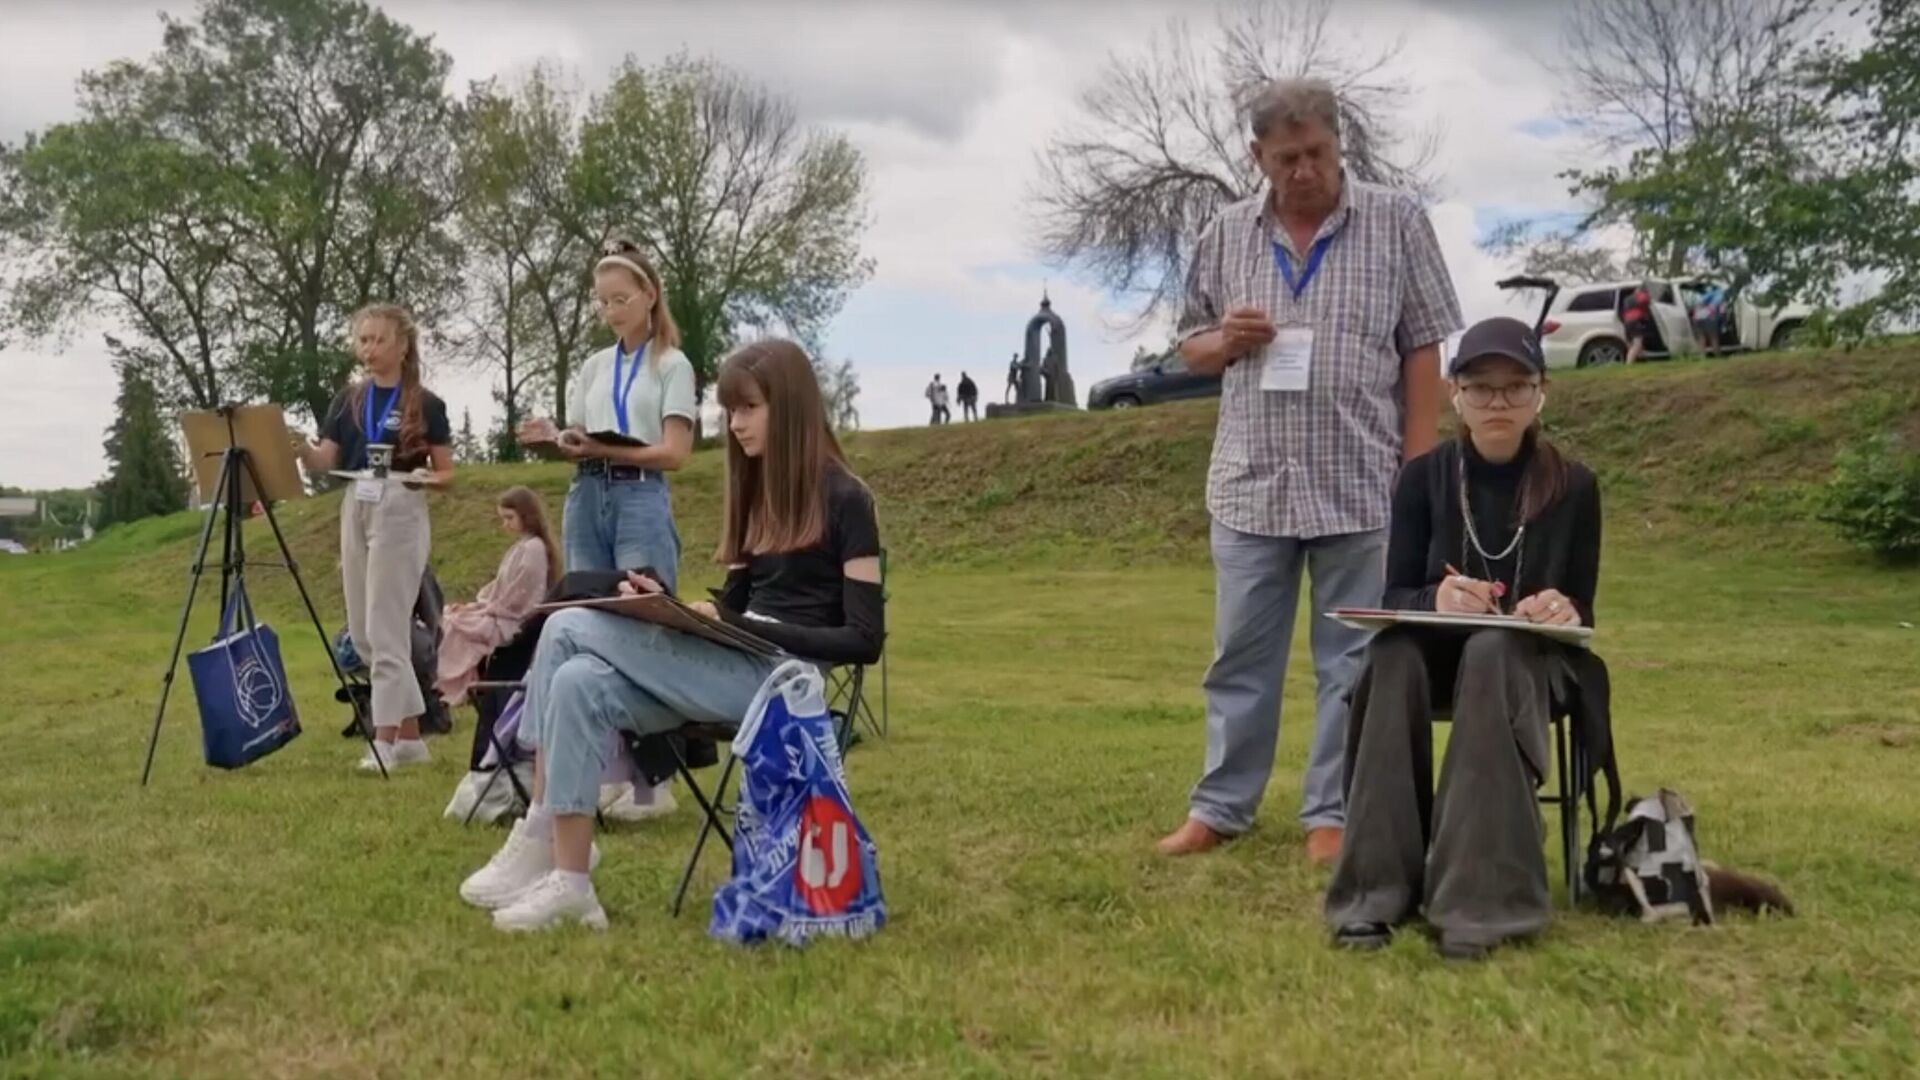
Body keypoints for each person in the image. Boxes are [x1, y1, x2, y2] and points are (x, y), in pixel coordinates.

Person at [458, 338, 886, 931]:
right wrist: (662, 601)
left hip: (784, 683)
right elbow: (733, 605)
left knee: (566, 624)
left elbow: (864, 639)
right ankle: (573, 884)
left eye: (749, 409)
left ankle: (537, 827)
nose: (735, 425)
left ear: (790, 407)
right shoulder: (759, 494)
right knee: (579, 681)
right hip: (730, 665)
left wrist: (739, 625)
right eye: (730, 411)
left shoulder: (848, 498)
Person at [1157, 77, 1463, 865]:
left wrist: (1416, 465)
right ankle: (1221, 807)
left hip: (1359, 482)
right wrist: (1224, 340)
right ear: (1257, 157)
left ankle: (1331, 813)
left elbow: (1425, 343)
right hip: (1250, 485)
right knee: (1239, 661)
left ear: (1339, 143)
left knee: (1352, 663)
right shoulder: (1225, 232)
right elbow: (1186, 345)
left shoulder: (1396, 220)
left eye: (1317, 153)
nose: (1303, 170)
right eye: (1286, 157)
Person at [1324, 316, 1602, 961]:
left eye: (1515, 387)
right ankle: (1374, 891)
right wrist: (1436, 597)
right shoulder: (1423, 477)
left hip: (1529, 670)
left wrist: (1559, 607)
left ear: (1542, 394)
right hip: (1433, 659)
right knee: (1390, 656)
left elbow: (1584, 606)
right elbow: (1396, 598)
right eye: (1481, 388)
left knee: (1492, 649)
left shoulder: (1576, 486)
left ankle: (1482, 901)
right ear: (1456, 394)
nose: (1497, 402)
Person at [294, 303, 455, 772]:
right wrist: (301, 449)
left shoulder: (425, 403)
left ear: (403, 346)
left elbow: (447, 474)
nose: (369, 348)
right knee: (363, 630)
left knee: (386, 626)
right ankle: (409, 737)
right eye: (362, 340)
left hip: (401, 502)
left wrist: (424, 477)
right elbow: (326, 459)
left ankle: (383, 740)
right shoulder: (348, 400)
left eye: (379, 339)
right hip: (355, 500)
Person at [516, 236, 696, 590]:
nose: (612, 311)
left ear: (650, 295)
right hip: (585, 494)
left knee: (643, 610)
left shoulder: (673, 365)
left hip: (639, 496)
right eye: (603, 302)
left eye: (621, 299)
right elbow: (580, 435)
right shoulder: (594, 366)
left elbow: (675, 454)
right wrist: (555, 436)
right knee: (586, 607)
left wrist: (603, 450)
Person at [433, 487, 562, 706]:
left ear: (526, 515)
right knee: (449, 615)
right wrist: (476, 606)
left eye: (510, 518)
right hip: (501, 612)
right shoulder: (521, 547)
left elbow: (518, 599)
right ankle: (439, 684)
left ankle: (444, 686)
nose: (506, 525)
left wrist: (484, 609)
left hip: (513, 620)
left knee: (456, 625)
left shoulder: (533, 549)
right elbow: (497, 590)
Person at [1622, 281, 1655, 364]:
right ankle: (1628, 364)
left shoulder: (1628, 298)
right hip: (1635, 321)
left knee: (1633, 344)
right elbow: (1646, 301)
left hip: (1627, 322)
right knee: (1637, 344)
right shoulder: (1642, 295)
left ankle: (1643, 362)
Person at [1692, 282, 1725, 354]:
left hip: (1698, 317)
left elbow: (1696, 307)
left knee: (1701, 338)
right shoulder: (1719, 295)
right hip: (1710, 317)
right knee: (1713, 338)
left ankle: (1701, 356)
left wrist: (1695, 318)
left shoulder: (1701, 295)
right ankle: (1717, 355)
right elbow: (1722, 311)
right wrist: (1722, 322)